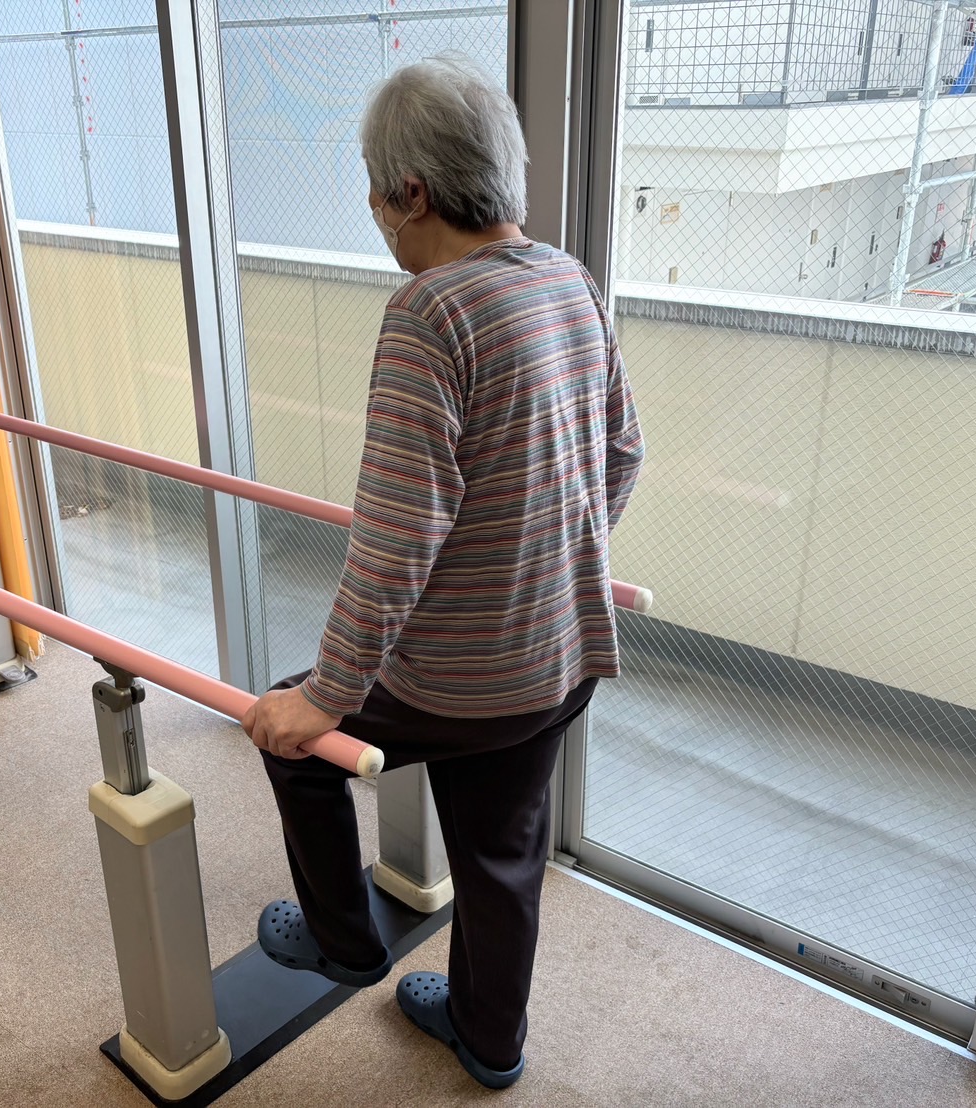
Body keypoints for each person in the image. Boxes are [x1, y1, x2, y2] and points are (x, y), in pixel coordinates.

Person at [240, 53, 644, 1090]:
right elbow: (621, 454)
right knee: (502, 856)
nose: (379, 220)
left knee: (291, 736)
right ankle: (487, 1038)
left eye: (376, 197)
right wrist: (541, 562)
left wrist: (325, 696)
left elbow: (395, 539)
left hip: (462, 682)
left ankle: (345, 942)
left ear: (411, 193)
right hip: (562, 660)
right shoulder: (569, 281)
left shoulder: (430, 312)